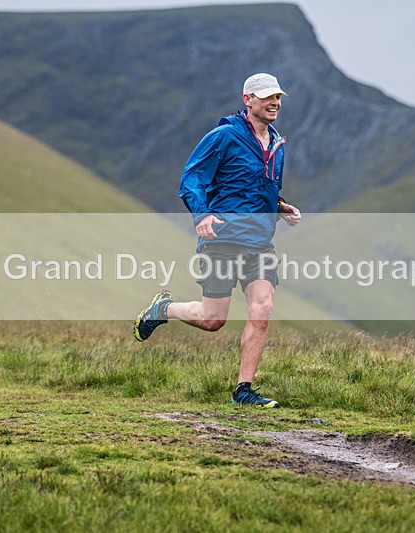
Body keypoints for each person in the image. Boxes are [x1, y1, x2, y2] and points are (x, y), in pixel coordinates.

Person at [134, 73, 301, 408]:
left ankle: (244, 390)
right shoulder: (224, 136)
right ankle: (163, 309)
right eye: (267, 96)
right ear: (247, 99)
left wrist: (280, 206)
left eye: (278, 97)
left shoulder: (277, 144)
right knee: (213, 320)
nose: (274, 103)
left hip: (259, 242)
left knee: (263, 308)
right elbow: (192, 177)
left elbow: (258, 187)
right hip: (221, 239)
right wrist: (202, 214)